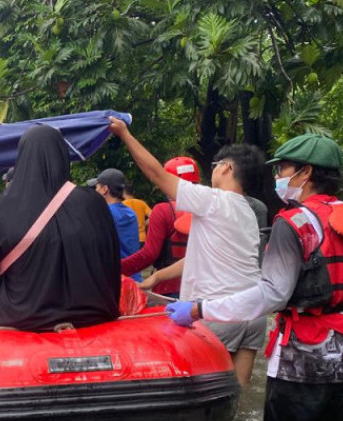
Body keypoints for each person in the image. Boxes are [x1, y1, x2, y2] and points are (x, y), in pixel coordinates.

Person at [165, 134, 343, 421]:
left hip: (303, 359)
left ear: (306, 173)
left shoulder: (292, 222)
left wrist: (198, 309)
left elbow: (271, 294)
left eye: (283, 170)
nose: (278, 178)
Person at [109, 117, 265, 386]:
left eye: (215, 166)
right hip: (253, 313)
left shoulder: (213, 200)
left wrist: (125, 135)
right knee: (236, 394)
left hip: (218, 312)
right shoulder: (248, 212)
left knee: (203, 388)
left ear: (226, 168)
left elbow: (157, 174)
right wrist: (157, 278)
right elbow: (200, 258)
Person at [0, 124, 121, 331]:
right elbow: (112, 260)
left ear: (23, 158)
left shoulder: (8, 209)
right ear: (62, 156)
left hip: (21, 320)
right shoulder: (93, 203)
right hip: (93, 318)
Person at [121, 157, 198, 299]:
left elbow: (150, 254)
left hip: (168, 288)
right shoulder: (208, 208)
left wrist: (117, 268)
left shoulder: (163, 210)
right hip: (203, 288)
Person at [88, 168, 141, 280]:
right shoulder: (130, 212)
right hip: (134, 276)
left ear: (104, 189)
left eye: (97, 187)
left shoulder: (104, 213)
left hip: (115, 279)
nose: (95, 191)